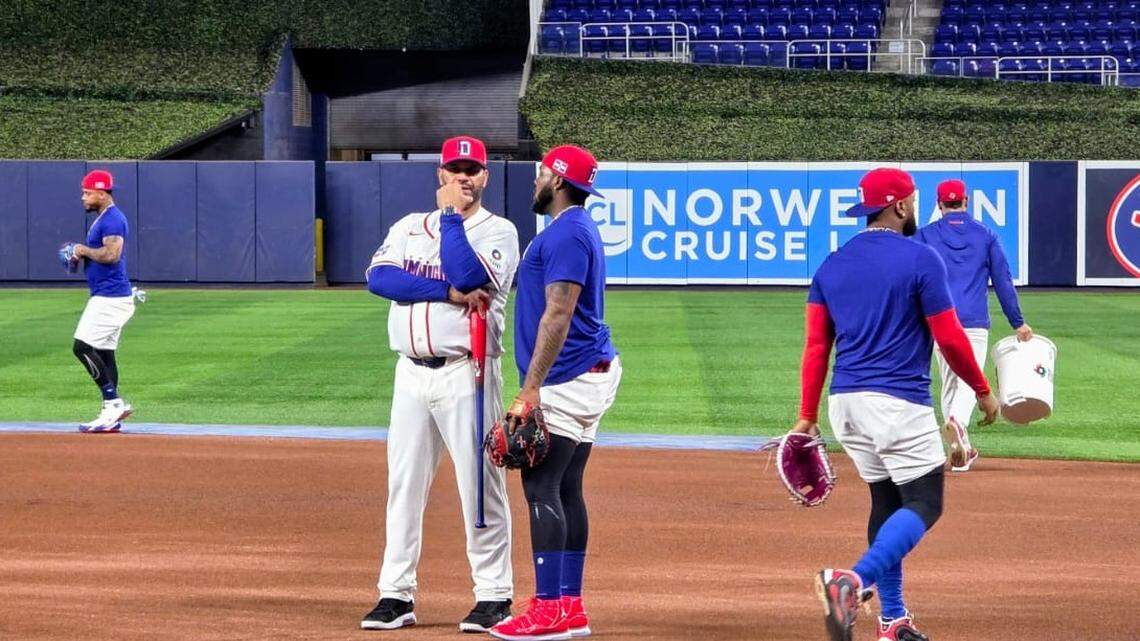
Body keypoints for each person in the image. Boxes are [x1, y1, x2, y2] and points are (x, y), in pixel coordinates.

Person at [800, 168, 999, 641]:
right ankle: (852, 581)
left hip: (844, 404)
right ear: (902, 206)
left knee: (886, 502)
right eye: (913, 199)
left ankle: (892, 620)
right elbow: (949, 336)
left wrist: (806, 416)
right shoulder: (920, 258)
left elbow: (815, 347)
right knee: (926, 502)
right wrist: (982, 390)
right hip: (897, 404)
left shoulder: (831, 263)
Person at [361, 136, 520, 633]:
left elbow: (473, 273)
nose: (464, 177)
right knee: (403, 486)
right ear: (441, 173)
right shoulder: (409, 226)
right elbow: (380, 280)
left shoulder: (500, 230)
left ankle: (494, 595)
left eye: (473, 169)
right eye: (456, 168)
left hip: (467, 373)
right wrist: (447, 292)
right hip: (410, 374)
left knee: (480, 486)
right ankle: (395, 593)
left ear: (486, 176)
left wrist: (451, 220)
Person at [489, 145, 620, 641]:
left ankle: (548, 610)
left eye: (543, 172)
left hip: (566, 378)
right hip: (588, 372)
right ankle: (569, 604)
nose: (536, 179)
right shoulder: (576, 229)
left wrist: (530, 390)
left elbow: (558, 314)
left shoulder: (566, 234)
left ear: (559, 181)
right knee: (567, 488)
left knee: (541, 487)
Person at [916, 179, 1032, 472]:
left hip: (937, 319)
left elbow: (908, 276)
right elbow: (1003, 282)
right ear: (966, 201)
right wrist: (1017, 322)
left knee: (951, 380)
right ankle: (956, 422)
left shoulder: (925, 236)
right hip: (974, 321)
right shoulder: (986, 235)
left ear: (939, 204)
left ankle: (960, 448)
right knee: (970, 378)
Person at [69, 170, 136, 433]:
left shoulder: (113, 220)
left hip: (110, 297)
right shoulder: (105, 219)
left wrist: (81, 250)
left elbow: (111, 255)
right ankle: (111, 415)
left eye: (87, 192)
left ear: (101, 193)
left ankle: (113, 401)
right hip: (110, 295)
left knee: (82, 347)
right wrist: (79, 255)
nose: (83, 197)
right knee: (105, 354)